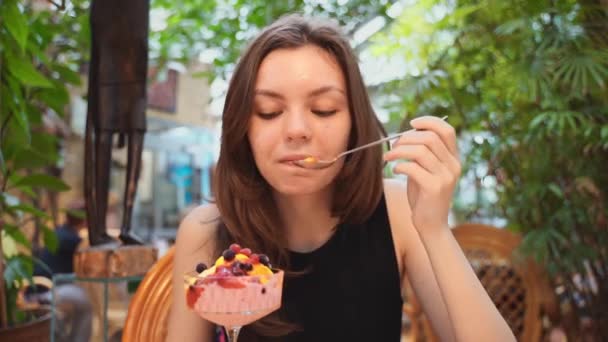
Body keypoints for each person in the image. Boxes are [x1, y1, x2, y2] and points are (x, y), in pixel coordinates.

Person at [167, 14, 515, 342]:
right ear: (242, 127)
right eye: (269, 112)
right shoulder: (205, 232)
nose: (297, 130)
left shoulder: (398, 212)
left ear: (354, 123)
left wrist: (435, 229)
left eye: (324, 110)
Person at [31, 198, 93, 342]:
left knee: (77, 301)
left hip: (41, 290)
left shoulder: (59, 232)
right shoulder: (71, 240)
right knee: (84, 301)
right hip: (46, 292)